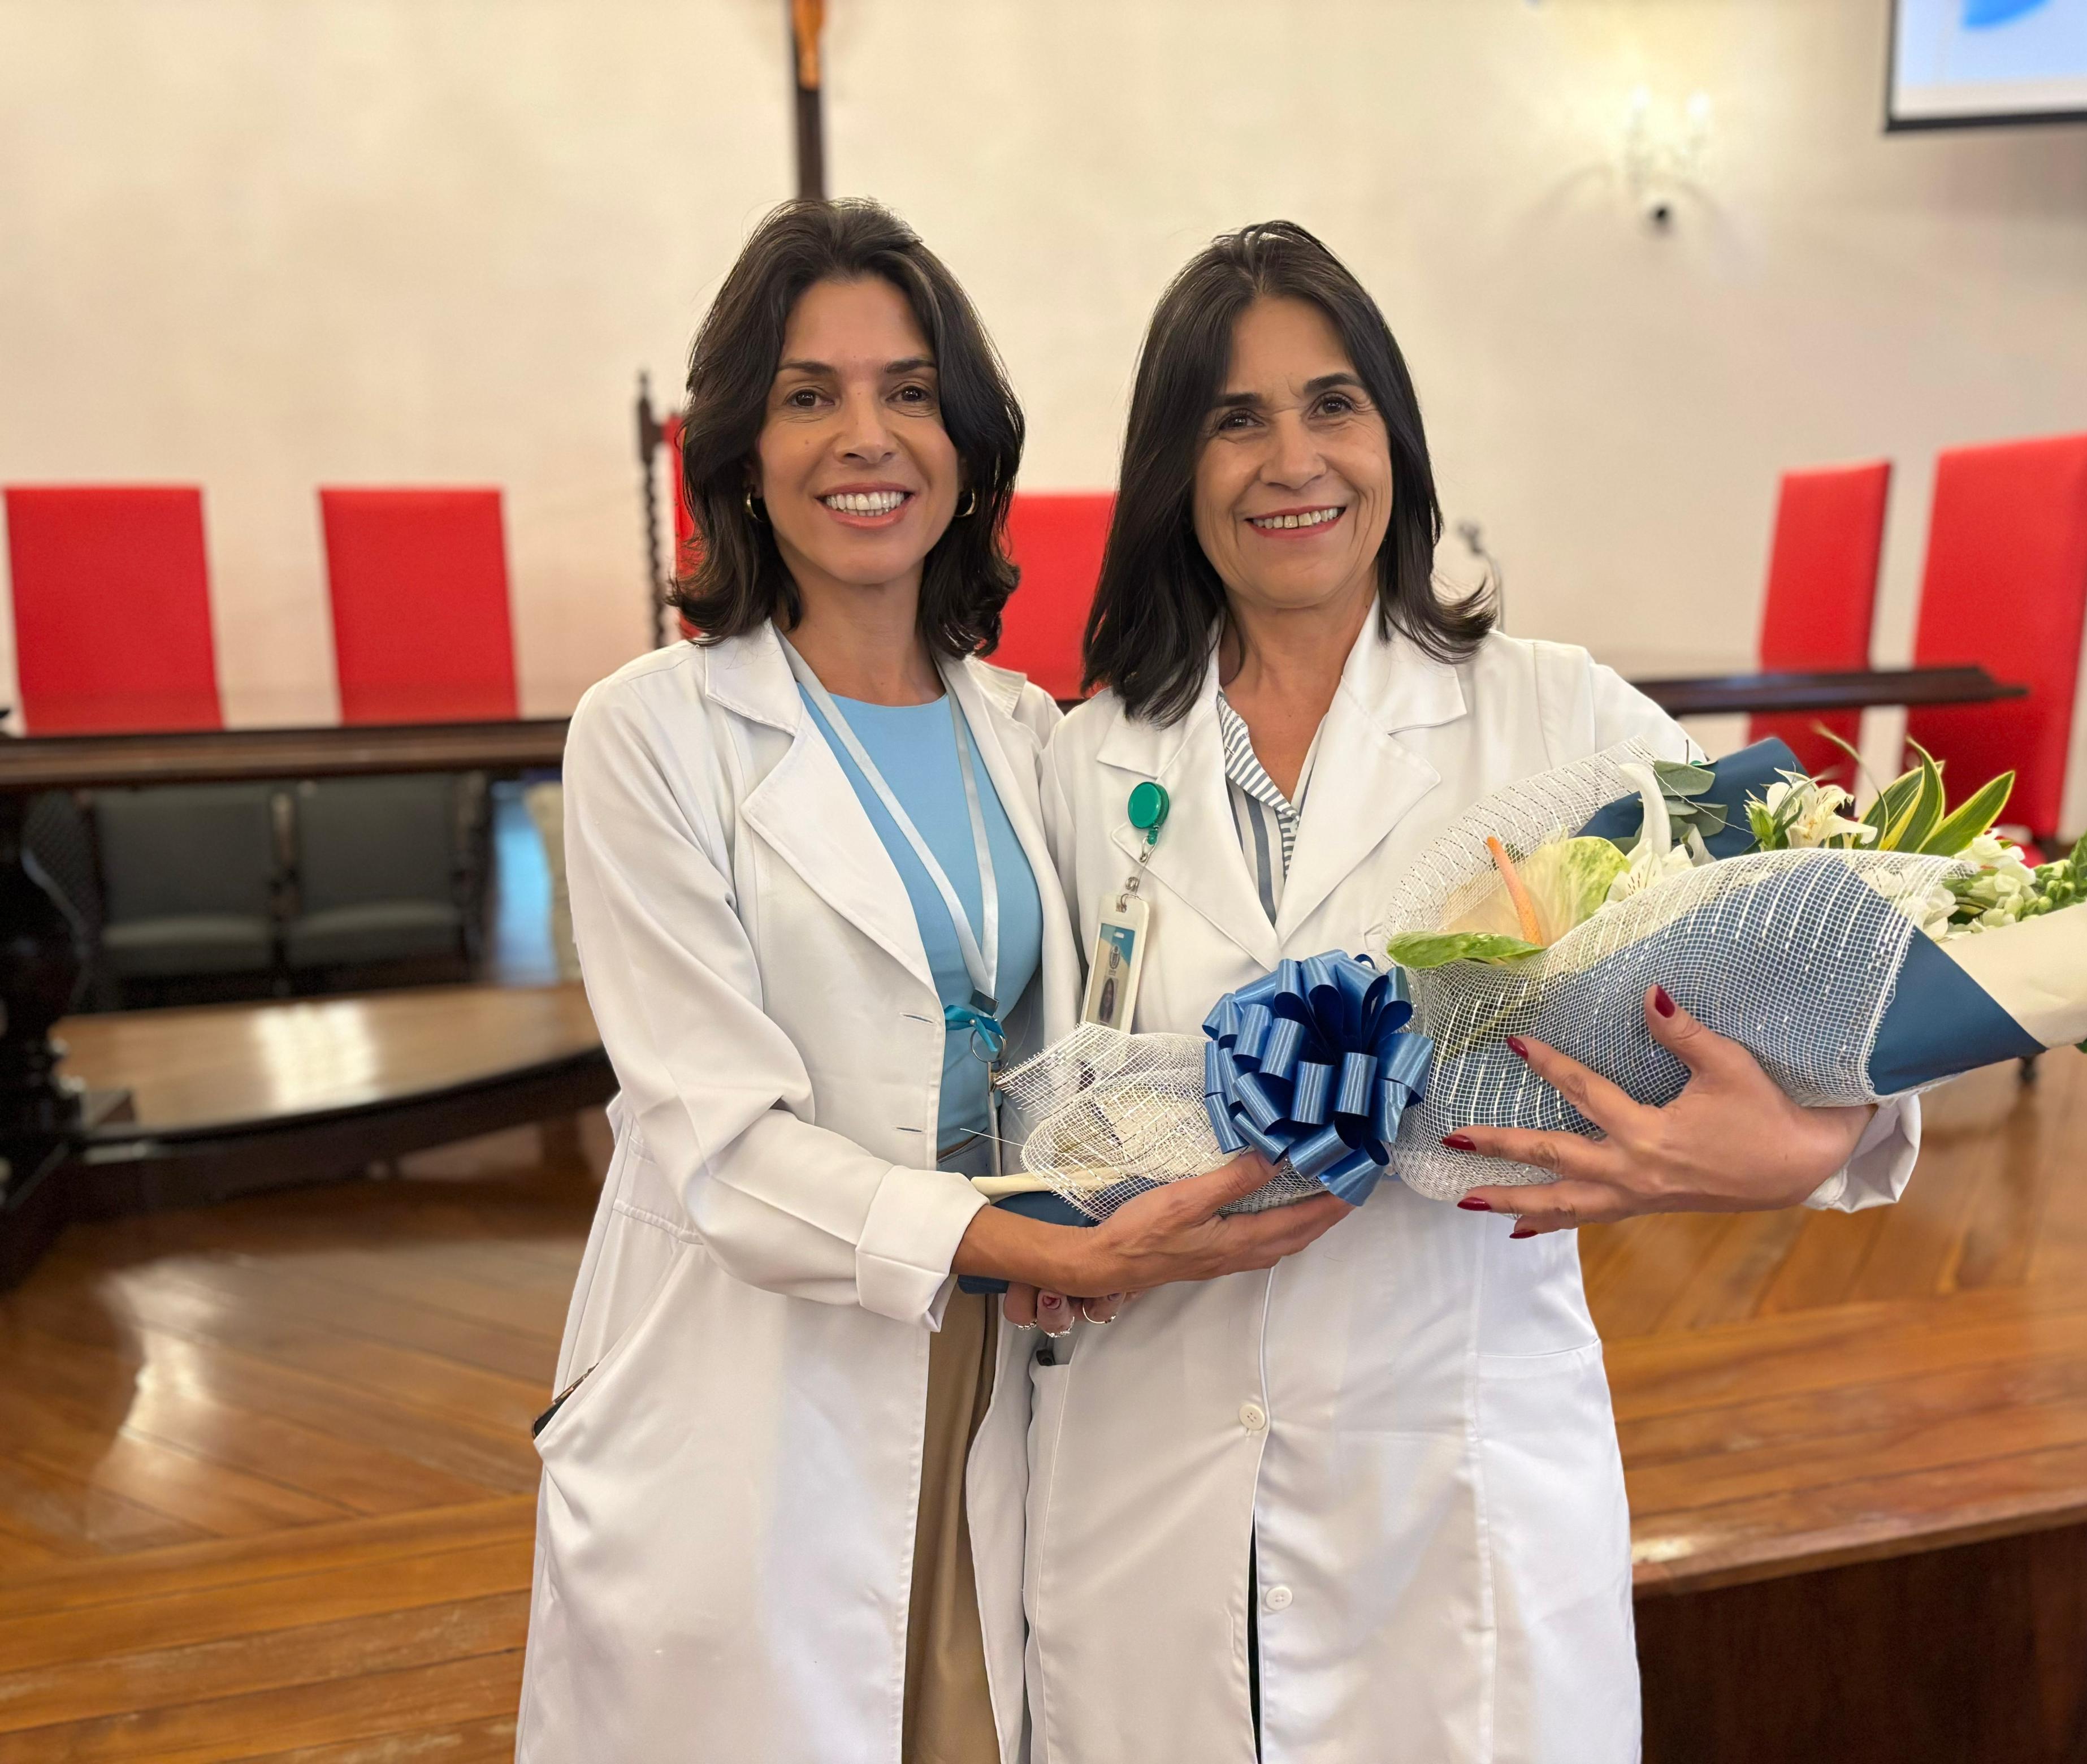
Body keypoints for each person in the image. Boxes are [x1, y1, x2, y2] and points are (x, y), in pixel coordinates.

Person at [1033, 220, 1922, 1762]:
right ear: (1174, 466)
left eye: (1332, 405)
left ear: (1395, 435)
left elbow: (1837, 990)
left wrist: (1794, 1154)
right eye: (1236, 419)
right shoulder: (1082, 759)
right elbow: (1038, 1115)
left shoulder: (1563, 719)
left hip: (1454, 1481)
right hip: (1145, 1469)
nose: (1293, 461)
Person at [515, 200, 1341, 1764]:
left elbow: (1077, 1041)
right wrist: (1028, 1242)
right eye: (808, 395)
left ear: (966, 444)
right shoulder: (652, 732)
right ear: (740, 449)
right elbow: (714, 1140)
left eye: (908, 391)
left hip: (994, 1352)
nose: (865, 438)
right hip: (748, 1372)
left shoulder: (1025, 731)